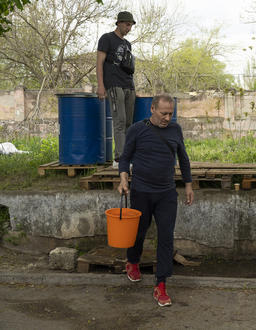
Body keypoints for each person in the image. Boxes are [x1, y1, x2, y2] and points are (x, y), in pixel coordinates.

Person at [117, 94, 193, 307]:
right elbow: (125, 157)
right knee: (138, 232)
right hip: (141, 192)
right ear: (152, 109)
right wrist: (124, 179)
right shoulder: (137, 130)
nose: (167, 118)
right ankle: (132, 261)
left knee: (166, 237)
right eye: (163, 113)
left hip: (166, 193)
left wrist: (188, 185)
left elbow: (183, 158)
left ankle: (161, 285)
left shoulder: (175, 130)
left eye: (171, 113)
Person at [97, 11, 137, 164]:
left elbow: (128, 67)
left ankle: (127, 155)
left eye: (131, 25)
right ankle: (120, 159)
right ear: (119, 23)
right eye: (127, 25)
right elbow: (99, 63)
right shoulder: (107, 38)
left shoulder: (128, 44)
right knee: (119, 121)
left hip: (128, 85)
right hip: (113, 84)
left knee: (128, 123)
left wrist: (134, 89)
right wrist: (101, 86)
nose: (129, 28)